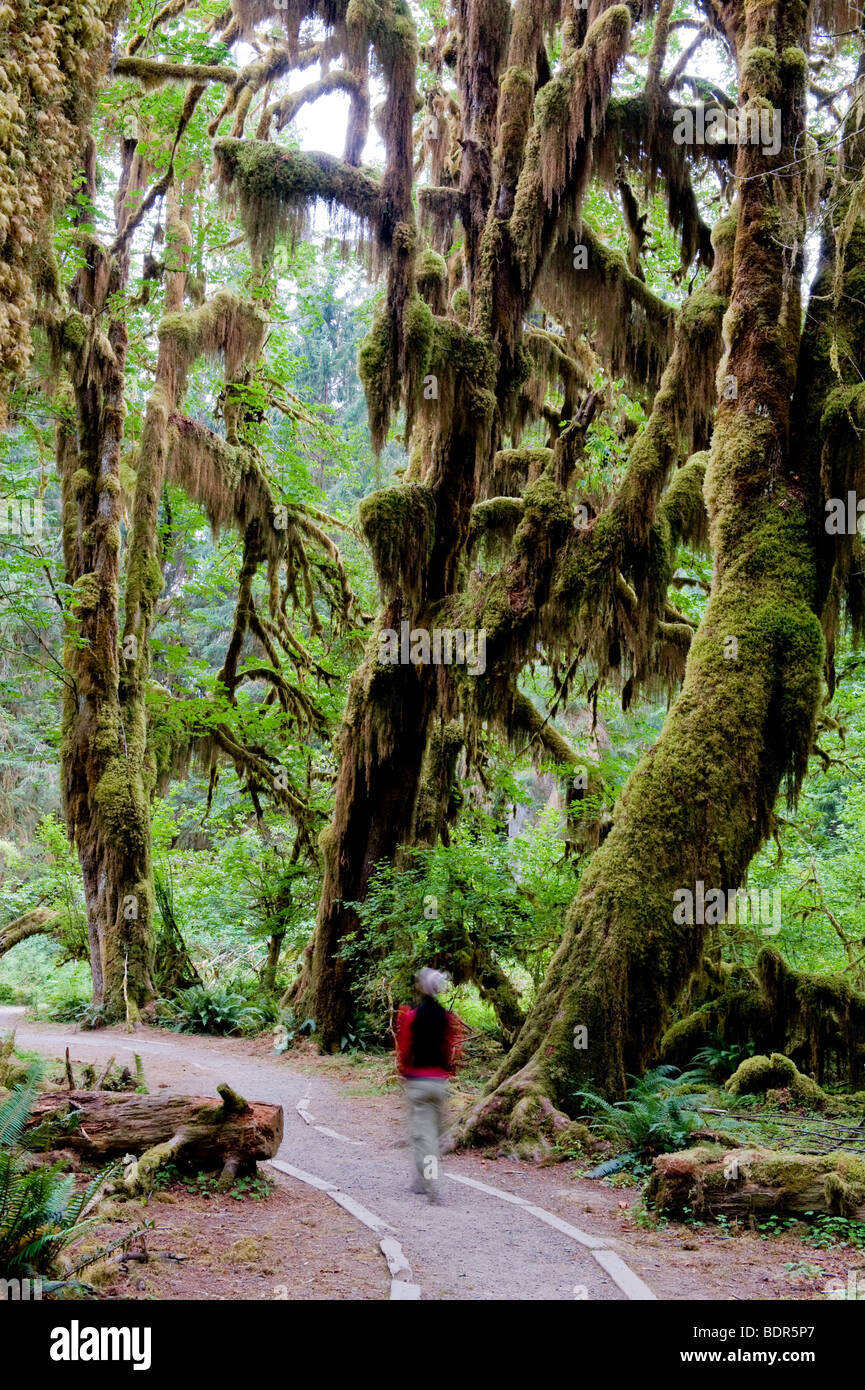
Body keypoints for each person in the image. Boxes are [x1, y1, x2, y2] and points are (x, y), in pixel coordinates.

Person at [395, 968, 464, 1202]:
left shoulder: (412, 1016)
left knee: (423, 1138)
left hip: (418, 1083)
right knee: (429, 1135)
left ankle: (432, 1183)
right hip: (438, 1083)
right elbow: (452, 1046)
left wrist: (404, 1071)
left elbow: (404, 1047)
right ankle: (420, 1181)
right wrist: (448, 1070)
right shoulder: (446, 1017)